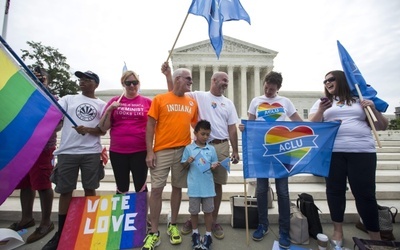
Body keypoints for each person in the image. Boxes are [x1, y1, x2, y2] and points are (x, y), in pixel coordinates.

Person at [309, 70, 388, 247]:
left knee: (365, 195)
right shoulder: (324, 102)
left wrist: (373, 108)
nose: (327, 82)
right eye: (325, 81)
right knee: (335, 192)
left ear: (342, 80)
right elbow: (312, 126)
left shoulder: (360, 99)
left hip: (362, 152)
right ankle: (338, 230)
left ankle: (375, 236)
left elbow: (381, 126)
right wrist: (322, 110)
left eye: (331, 79)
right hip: (333, 152)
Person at [162, 62, 240, 240]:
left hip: (220, 145)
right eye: (223, 80)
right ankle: (193, 218)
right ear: (213, 80)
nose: (226, 83)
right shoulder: (199, 96)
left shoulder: (228, 103)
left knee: (218, 184)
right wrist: (168, 76)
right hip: (200, 145)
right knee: (196, 181)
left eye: (227, 81)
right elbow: (176, 93)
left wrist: (235, 150)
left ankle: (213, 221)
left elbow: (232, 128)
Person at [42, 70, 107, 250]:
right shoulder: (68, 99)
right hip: (67, 152)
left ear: (96, 84)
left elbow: (102, 130)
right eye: (81, 79)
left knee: (90, 189)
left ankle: (89, 229)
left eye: (87, 79)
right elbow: (53, 107)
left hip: (91, 153)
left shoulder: (102, 105)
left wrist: (88, 129)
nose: (82, 82)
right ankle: (62, 232)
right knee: (65, 191)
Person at [239, 71, 302, 249]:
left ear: (278, 89)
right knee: (261, 189)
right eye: (266, 87)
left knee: (283, 191)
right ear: (264, 84)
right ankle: (263, 225)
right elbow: (250, 125)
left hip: (282, 150)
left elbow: (298, 122)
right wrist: (244, 127)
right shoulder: (256, 101)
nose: (268, 91)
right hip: (262, 150)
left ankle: (284, 230)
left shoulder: (285, 102)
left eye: (271, 89)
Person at [142, 68, 198, 250]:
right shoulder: (160, 99)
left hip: (182, 151)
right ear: (178, 79)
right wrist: (149, 152)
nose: (191, 81)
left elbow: (197, 126)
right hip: (162, 151)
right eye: (188, 78)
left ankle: (172, 224)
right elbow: (150, 125)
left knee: (177, 189)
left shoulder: (191, 102)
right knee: (156, 190)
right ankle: (154, 232)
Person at [8, 67, 62, 244]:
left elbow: (58, 124)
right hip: (23, 147)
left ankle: (46, 222)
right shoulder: (23, 97)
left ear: (47, 80)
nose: (37, 80)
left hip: (42, 147)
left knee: (43, 183)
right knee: (26, 184)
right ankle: (26, 217)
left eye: (41, 78)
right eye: (33, 77)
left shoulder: (52, 99)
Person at [98, 70, 151, 194]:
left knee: (141, 187)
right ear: (123, 84)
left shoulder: (148, 102)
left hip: (140, 151)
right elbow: (103, 127)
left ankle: (141, 213)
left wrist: (151, 152)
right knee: (121, 187)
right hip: (118, 152)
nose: (132, 85)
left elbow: (154, 126)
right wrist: (110, 110)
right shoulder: (114, 101)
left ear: (139, 83)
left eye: (135, 82)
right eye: (128, 83)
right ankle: (120, 213)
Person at [181, 120, 219, 250]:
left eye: (208, 134)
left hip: (208, 187)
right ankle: (195, 234)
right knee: (194, 212)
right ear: (195, 133)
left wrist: (215, 166)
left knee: (208, 212)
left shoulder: (211, 149)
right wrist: (188, 161)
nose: (205, 137)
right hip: (194, 187)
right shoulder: (189, 148)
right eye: (203, 134)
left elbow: (214, 164)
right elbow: (184, 166)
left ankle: (208, 236)